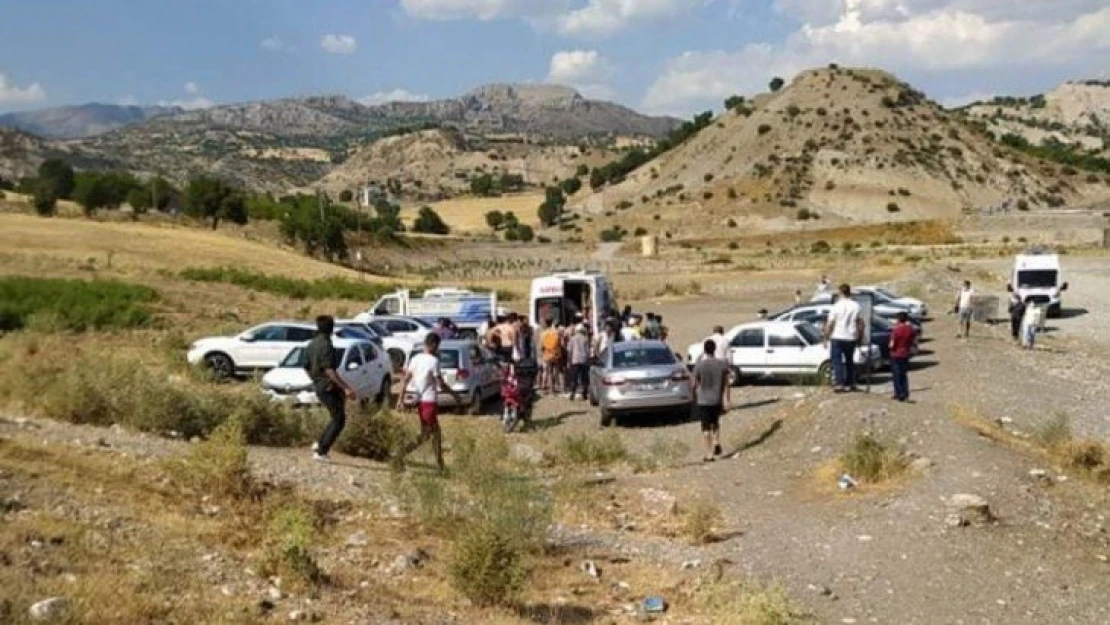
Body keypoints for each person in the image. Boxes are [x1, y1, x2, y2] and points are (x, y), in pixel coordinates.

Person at [396, 333, 461, 473]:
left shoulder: (415, 359)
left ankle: (440, 465)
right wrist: (455, 395)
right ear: (434, 345)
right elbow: (441, 384)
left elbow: (405, 380)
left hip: (420, 401)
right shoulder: (433, 361)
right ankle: (401, 455)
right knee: (428, 435)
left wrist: (400, 399)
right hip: (429, 401)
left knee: (432, 434)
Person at [307, 315, 357, 462]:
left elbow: (306, 366)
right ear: (331, 328)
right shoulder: (326, 345)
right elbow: (330, 370)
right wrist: (346, 388)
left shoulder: (312, 344)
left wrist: (315, 379)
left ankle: (319, 444)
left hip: (320, 385)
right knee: (339, 419)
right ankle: (321, 452)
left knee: (335, 416)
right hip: (327, 385)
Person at [692, 339, 731, 463]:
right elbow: (726, 383)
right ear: (714, 349)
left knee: (705, 428)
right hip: (717, 399)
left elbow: (694, 383)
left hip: (703, 400)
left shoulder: (700, 365)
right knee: (716, 422)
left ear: (704, 350)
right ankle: (716, 441)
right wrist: (727, 399)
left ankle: (709, 454)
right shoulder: (721, 365)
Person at [823, 284, 864, 393]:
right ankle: (851, 383)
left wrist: (826, 337)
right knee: (850, 360)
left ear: (840, 293)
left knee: (837, 361)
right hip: (851, 336)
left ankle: (839, 383)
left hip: (838, 336)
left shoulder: (836, 306)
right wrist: (860, 337)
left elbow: (830, 323)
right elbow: (859, 323)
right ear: (849, 292)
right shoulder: (856, 306)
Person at [889, 312, 916, 402]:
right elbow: (913, 340)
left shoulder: (896, 330)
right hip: (905, 353)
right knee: (903, 374)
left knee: (896, 375)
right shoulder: (910, 329)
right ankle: (905, 393)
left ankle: (899, 393)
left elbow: (892, 344)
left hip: (896, 354)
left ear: (898, 320)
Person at [566, 324, 591, 400]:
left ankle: (572, 393)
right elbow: (587, 351)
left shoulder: (572, 339)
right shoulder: (585, 339)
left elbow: (569, 350)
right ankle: (584, 394)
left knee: (574, 378)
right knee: (584, 378)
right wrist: (588, 359)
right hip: (583, 360)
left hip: (575, 360)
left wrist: (569, 360)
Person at [540, 319, 563, 394]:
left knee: (549, 372)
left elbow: (542, 346)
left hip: (547, 354)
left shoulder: (543, 333)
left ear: (546, 324)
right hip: (556, 354)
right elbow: (560, 344)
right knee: (556, 371)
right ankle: (557, 386)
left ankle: (551, 389)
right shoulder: (556, 332)